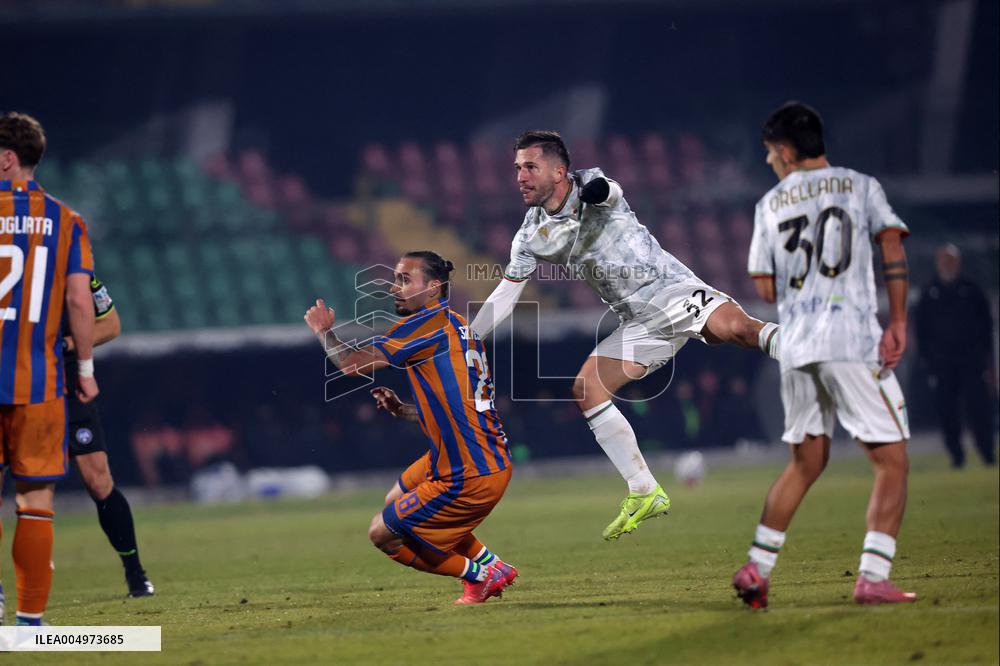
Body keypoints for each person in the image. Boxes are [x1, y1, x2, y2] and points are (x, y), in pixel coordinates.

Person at [471, 130, 780, 540]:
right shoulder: (530, 236)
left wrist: (592, 191)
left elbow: (607, 191)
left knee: (737, 329)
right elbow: (505, 297)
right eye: (517, 168)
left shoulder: (591, 184)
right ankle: (644, 490)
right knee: (588, 387)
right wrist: (466, 336)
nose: (520, 177)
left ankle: (810, 350)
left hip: (670, 290)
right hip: (638, 321)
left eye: (530, 166)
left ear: (559, 171)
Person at [733, 101, 916, 608]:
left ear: (787, 152)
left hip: (797, 345)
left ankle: (757, 566)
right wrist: (898, 321)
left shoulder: (769, 205)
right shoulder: (861, 186)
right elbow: (892, 249)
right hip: (851, 340)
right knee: (893, 460)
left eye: (771, 153)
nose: (771, 162)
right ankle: (873, 576)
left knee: (806, 460)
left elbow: (766, 286)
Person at [304, 250, 517, 605]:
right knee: (395, 500)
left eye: (405, 279)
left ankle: (480, 576)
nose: (395, 287)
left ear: (434, 287)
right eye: (396, 278)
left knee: (382, 534)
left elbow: (351, 365)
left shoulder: (426, 324)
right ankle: (492, 564)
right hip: (470, 457)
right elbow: (461, 407)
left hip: (470, 473)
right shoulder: (458, 327)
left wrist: (324, 331)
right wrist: (404, 411)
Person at [0, 112, 99, 625]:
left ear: (8, 157)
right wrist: (84, 367)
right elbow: (81, 302)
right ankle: (30, 624)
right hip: (39, 381)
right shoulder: (67, 220)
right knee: (35, 498)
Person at [62, 276, 154, 597]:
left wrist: (65, 344)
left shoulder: (78, 274)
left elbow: (111, 325)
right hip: (17, 386)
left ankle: (135, 572)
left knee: (98, 480)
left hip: (68, 388)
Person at [915, 244, 996, 467]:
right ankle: (956, 457)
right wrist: (927, 362)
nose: (947, 265)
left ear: (958, 263)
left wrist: (987, 360)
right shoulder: (929, 293)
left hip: (971, 362)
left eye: (950, 261)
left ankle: (987, 454)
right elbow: (921, 331)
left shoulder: (972, 291)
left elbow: (986, 327)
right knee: (947, 413)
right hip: (942, 365)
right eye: (943, 261)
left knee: (979, 410)